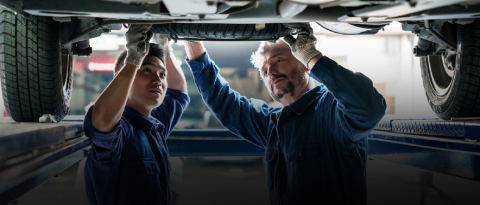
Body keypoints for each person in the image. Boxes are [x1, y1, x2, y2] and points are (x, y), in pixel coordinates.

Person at [184, 23, 386, 204]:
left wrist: (314, 57)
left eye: (278, 60)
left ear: (303, 63)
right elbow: (224, 103)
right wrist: (188, 30)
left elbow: (369, 108)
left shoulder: (332, 110)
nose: (270, 72)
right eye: (264, 71)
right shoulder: (274, 123)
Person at [83, 24, 189, 205]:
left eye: (163, 74)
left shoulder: (154, 128)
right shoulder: (121, 133)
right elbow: (101, 122)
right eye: (146, 70)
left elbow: (178, 93)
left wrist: (166, 50)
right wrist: (133, 58)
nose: (158, 80)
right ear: (123, 76)